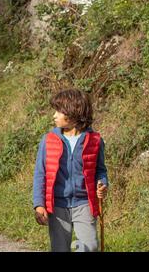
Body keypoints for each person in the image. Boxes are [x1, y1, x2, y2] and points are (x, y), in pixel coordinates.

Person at [32, 89, 109, 252]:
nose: (54, 115)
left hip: (84, 204)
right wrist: (39, 205)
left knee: (90, 247)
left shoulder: (94, 140)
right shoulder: (48, 140)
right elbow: (40, 174)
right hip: (58, 205)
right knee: (60, 249)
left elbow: (100, 170)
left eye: (58, 111)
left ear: (73, 113)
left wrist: (102, 184)